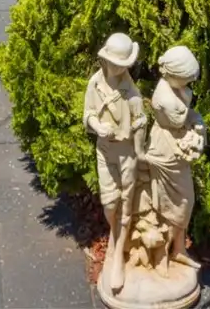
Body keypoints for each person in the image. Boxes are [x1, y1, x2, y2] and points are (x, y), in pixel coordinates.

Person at [84, 32, 145, 294]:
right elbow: (87, 114)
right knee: (110, 202)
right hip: (105, 149)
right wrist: (97, 125)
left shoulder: (131, 93)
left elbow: (141, 121)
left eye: (123, 65)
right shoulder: (95, 84)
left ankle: (118, 250)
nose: (119, 68)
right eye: (115, 63)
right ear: (105, 59)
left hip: (126, 152)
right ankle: (115, 233)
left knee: (126, 201)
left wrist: (140, 147)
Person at [141, 45, 205, 273]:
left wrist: (198, 129)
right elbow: (180, 122)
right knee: (169, 205)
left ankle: (178, 249)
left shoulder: (176, 87)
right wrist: (193, 128)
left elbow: (188, 118)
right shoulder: (164, 99)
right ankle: (161, 255)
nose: (189, 85)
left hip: (174, 146)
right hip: (166, 150)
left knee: (184, 202)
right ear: (173, 75)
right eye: (186, 80)